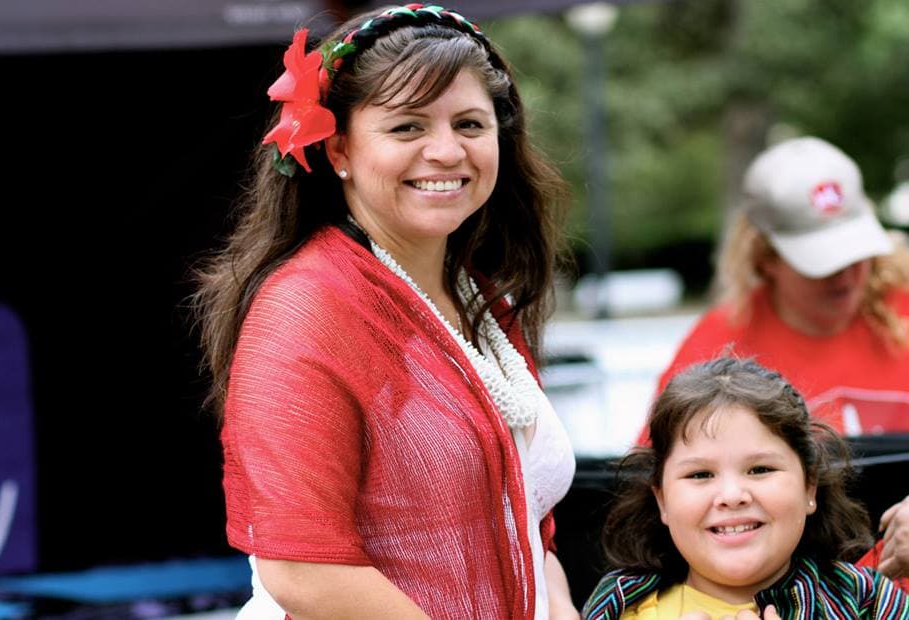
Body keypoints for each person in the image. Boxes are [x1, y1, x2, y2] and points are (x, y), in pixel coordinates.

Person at [193, 4, 578, 619]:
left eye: (471, 125)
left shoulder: (481, 298)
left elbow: (531, 527)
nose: (447, 151)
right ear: (339, 148)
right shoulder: (308, 309)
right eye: (407, 128)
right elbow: (303, 570)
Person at [649, 136, 909, 585]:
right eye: (823, 263)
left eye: (856, 255)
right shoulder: (717, 347)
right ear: (765, 255)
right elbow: (671, 478)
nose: (847, 277)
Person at [583, 356, 909, 619]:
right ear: (662, 500)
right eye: (700, 475)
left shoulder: (865, 601)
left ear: (810, 488)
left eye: (760, 469)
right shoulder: (622, 606)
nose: (732, 496)